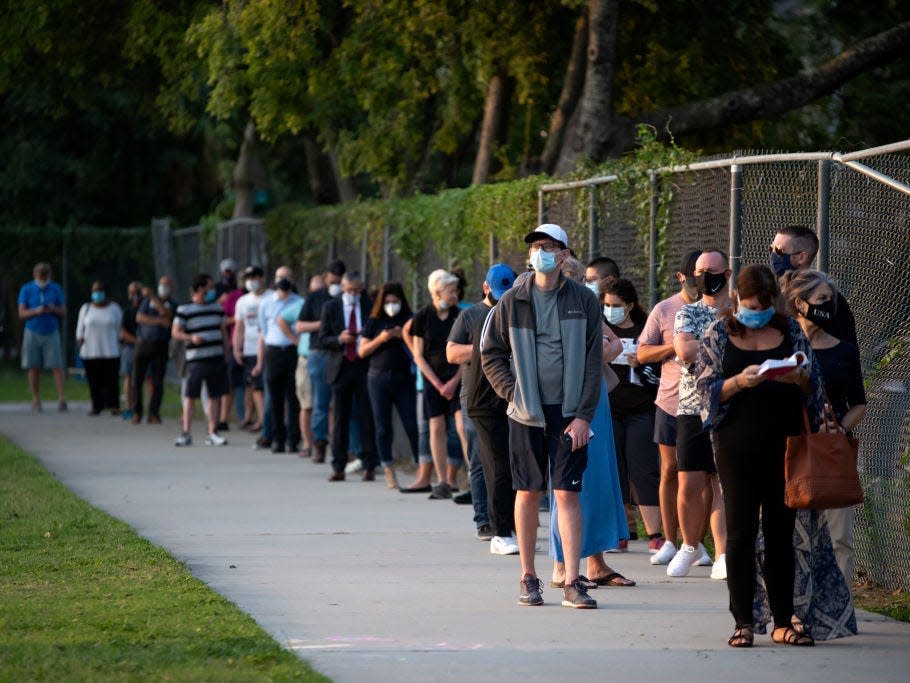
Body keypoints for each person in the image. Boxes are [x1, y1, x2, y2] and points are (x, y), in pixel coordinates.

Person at [695, 264, 821, 647]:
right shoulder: (719, 332)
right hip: (736, 445)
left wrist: (795, 376)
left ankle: (783, 620)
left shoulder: (789, 330)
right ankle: (743, 621)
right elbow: (703, 390)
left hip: (784, 445)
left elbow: (812, 383)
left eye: (764, 307)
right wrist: (738, 382)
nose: (757, 312)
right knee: (740, 534)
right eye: (750, 306)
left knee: (780, 534)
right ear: (736, 300)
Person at [482, 223, 603, 609]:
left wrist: (583, 416)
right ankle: (528, 576)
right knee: (529, 491)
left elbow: (592, 363)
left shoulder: (583, 300)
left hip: (569, 413)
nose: (540, 253)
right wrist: (511, 393)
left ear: (565, 255)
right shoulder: (512, 300)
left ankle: (571, 580)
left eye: (548, 247)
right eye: (536, 247)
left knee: (568, 493)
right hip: (526, 412)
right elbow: (491, 353)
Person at [548, 256, 634, 589]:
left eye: (581, 280)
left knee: (598, 478)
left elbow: (613, 344)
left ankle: (596, 562)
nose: (581, 285)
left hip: (594, 396)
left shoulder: (586, 308)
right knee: (566, 483)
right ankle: (560, 564)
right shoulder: (544, 310)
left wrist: (594, 354)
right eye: (574, 279)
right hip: (563, 399)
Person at [782, 269, 867, 585]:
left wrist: (840, 429)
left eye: (831, 300)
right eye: (821, 300)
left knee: (838, 536)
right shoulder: (781, 346)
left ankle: (838, 602)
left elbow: (859, 402)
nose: (829, 306)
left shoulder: (844, 349)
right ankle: (792, 602)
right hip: (790, 447)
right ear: (800, 303)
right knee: (789, 532)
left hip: (830, 449)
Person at [667, 249, 730, 579]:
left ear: (728, 273)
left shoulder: (739, 310)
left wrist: (704, 345)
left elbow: (696, 350)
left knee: (721, 481)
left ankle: (723, 552)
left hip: (730, 406)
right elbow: (684, 350)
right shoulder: (687, 313)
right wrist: (724, 341)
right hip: (692, 406)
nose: (706, 275)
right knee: (689, 481)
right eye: (700, 270)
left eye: (712, 270)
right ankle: (690, 545)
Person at [637, 249, 702, 565]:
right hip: (670, 402)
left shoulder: (721, 308)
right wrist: (674, 346)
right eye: (693, 280)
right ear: (681, 278)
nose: (699, 286)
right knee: (670, 469)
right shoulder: (665, 310)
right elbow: (642, 352)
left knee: (703, 475)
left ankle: (699, 543)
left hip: (706, 404)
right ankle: (669, 540)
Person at [447, 266, 519, 542]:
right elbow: (451, 352)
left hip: (509, 396)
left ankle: (509, 520)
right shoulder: (470, 315)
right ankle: (485, 520)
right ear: (485, 287)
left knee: (505, 461)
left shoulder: (514, 311)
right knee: (482, 460)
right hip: (477, 397)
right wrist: (486, 348)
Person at [601, 278, 663, 553]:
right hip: (609, 409)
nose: (610, 310)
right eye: (606, 305)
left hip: (640, 409)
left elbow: (658, 376)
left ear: (630, 305)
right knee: (615, 470)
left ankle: (656, 534)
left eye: (616, 305)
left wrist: (643, 361)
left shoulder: (644, 331)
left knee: (644, 470)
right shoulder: (603, 330)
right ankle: (620, 531)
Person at [406, 269, 465, 500]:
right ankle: (442, 481)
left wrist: (453, 381)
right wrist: (437, 384)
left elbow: (466, 353)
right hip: (433, 382)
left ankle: (474, 477)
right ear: (438, 291)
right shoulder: (422, 316)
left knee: (463, 427)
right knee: (436, 427)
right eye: (451, 290)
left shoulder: (459, 315)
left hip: (457, 380)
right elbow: (418, 355)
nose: (455, 294)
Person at [359, 281, 420, 489]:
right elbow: (362, 351)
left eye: (395, 302)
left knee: (411, 424)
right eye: (388, 302)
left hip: (404, 378)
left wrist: (402, 336)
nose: (391, 305)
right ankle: (388, 468)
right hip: (378, 378)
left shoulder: (409, 320)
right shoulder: (374, 322)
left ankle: (421, 465)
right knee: (383, 427)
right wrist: (382, 338)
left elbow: (418, 349)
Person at [318, 271, 378, 481]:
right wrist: (339, 339)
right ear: (343, 288)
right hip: (341, 366)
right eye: (349, 290)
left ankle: (370, 463)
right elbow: (322, 338)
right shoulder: (331, 307)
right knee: (340, 419)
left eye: (357, 290)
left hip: (363, 365)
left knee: (366, 416)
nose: (353, 294)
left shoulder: (369, 306)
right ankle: (338, 465)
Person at [770, 225, 857, 347]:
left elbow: (845, 351)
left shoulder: (829, 299)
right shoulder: (772, 295)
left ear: (802, 257)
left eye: (779, 250)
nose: (774, 255)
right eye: (772, 249)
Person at [296, 259, 347, 462]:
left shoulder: (348, 297)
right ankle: (319, 443)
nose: (335, 285)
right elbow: (300, 326)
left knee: (341, 404)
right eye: (332, 280)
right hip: (319, 353)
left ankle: (342, 446)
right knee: (320, 403)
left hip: (342, 354)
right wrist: (322, 324)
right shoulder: (315, 298)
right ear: (326, 277)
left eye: (338, 281)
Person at [171, 274, 229, 447]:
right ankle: (186, 433)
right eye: (209, 287)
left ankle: (213, 432)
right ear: (199, 289)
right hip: (196, 359)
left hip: (216, 357)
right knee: (190, 396)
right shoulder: (185, 309)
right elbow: (175, 332)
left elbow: (223, 331)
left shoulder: (217, 308)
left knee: (214, 395)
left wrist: (226, 352)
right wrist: (191, 337)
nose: (213, 291)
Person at [255, 266, 302, 453]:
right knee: (275, 398)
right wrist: (261, 359)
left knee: (293, 397)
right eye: (280, 277)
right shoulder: (266, 303)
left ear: (293, 280)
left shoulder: (300, 302)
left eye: (287, 277)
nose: (283, 280)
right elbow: (263, 331)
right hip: (274, 352)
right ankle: (277, 438)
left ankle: (293, 439)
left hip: (293, 351)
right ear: (274, 280)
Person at [277, 274, 324, 458]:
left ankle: (326, 442)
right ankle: (307, 443)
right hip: (307, 357)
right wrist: (294, 340)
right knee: (306, 404)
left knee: (328, 406)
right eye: (315, 291)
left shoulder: (333, 303)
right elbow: (283, 320)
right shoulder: (304, 305)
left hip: (329, 357)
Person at [17, 262, 67, 412]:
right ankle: (36, 399)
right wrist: (36, 311)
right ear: (35, 276)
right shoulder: (27, 288)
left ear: (49, 276)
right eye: (40, 277)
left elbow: (63, 312)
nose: (43, 280)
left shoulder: (55, 288)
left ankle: (62, 399)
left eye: (45, 277)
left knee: (56, 366)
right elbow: (21, 313)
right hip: (32, 330)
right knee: (33, 366)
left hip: (51, 331)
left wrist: (53, 309)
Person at [131, 275, 176, 424]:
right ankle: (137, 412)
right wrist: (157, 320)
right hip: (143, 343)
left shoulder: (173, 304)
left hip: (161, 345)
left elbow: (167, 316)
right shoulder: (147, 302)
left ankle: (153, 413)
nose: (163, 287)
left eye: (166, 285)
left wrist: (153, 297)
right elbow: (140, 318)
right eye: (161, 284)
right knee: (137, 379)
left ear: (172, 288)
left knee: (158, 381)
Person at [75, 281, 123, 415]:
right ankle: (96, 405)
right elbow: (80, 330)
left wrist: (121, 344)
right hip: (90, 351)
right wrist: (80, 345)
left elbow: (120, 329)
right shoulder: (86, 309)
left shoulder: (114, 308)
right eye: (95, 291)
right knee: (94, 380)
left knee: (111, 380)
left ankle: (114, 405)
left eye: (100, 290)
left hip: (111, 350)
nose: (97, 293)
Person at [233, 266, 266, 431]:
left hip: (269, 349)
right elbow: (239, 328)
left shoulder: (271, 298)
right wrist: (236, 349)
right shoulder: (243, 301)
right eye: (248, 278)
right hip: (250, 349)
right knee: (254, 387)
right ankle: (261, 420)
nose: (251, 281)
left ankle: (269, 422)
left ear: (262, 278)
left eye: (254, 277)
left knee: (266, 387)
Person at [217, 259, 245, 431]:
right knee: (231, 382)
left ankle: (246, 417)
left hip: (252, 345)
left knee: (250, 385)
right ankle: (223, 418)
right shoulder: (230, 297)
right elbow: (223, 320)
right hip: (234, 342)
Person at [119, 281, 143, 421]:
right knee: (128, 377)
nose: (135, 296)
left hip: (146, 349)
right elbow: (123, 333)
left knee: (147, 377)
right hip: (130, 348)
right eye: (132, 293)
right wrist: (137, 341)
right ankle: (129, 407)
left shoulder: (147, 309)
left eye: (138, 292)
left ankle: (145, 409)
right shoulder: (127, 312)